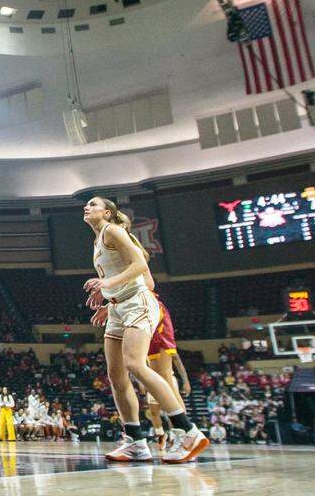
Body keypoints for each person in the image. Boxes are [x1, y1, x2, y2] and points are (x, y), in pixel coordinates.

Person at [83, 197, 207, 463]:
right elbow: (147, 281)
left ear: (107, 212)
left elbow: (141, 267)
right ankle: (135, 441)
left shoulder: (112, 231)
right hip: (118, 307)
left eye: (93, 204)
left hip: (137, 304)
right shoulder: (97, 241)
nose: (87, 207)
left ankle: (188, 430)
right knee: (116, 375)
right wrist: (110, 299)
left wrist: (107, 284)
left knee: (136, 365)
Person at [145, 297, 190, 450]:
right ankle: (161, 435)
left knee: (171, 407)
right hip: (152, 379)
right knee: (153, 411)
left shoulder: (164, 339)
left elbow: (179, 365)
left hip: (167, 377)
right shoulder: (145, 345)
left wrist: (186, 382)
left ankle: (182, 432)